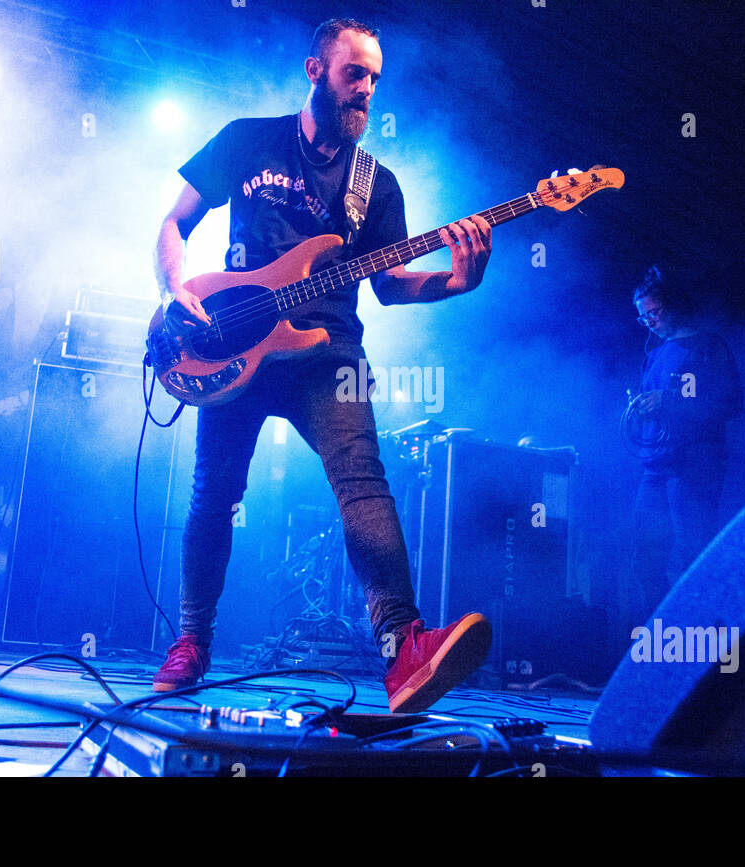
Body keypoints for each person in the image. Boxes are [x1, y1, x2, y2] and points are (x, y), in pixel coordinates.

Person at [151, 19, 494, 713]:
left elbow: (392, 284)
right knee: (213, 495)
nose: (365, 89)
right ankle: (190, 640)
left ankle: (404, 648)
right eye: (353, 74)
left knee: (363, 482)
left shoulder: (377, 184)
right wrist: (175, 287)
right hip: (233, 338)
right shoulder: (249, 138)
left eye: (373, 78)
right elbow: (174, 223)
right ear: (315, 71)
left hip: (328, 353)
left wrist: (457, 282)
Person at [628, 267, 742, 615]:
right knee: (645, 553)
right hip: (656, 467)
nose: (648, 321)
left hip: (694, 465)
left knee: (691, 550)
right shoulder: (655, 355)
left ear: (672, 305)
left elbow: (732, 402)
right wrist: (644, 408)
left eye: (653, 312)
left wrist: (671, 400)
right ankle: (662, 634)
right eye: (642, 316)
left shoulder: (708, 345)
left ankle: (703, 631)